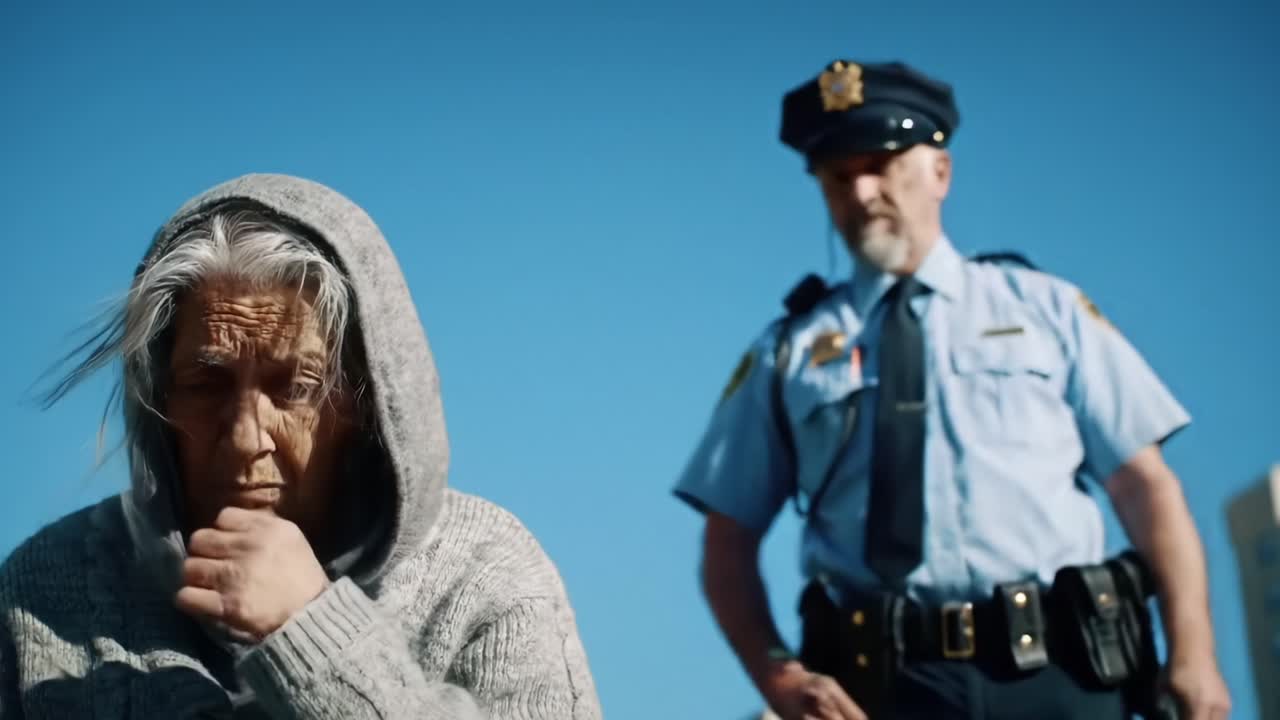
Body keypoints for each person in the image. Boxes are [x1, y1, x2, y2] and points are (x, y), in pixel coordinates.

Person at [673, 60, 1232, 720]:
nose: (861, 192)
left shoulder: (1045, 311)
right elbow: (727, 542)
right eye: (838, 176)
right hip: (882, 687)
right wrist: (779, 677)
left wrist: (1194, 651)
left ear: (940, 172)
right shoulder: (788, 351)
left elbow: (1145, 486)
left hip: (1062, 675)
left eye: (880, 164)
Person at [0, 173, 602, 719]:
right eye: (205, 386)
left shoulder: (487, 578)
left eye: (296, 389)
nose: (244, 442)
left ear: (367, 405)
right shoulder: (51, 587)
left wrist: (312, 633)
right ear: (159, 398)